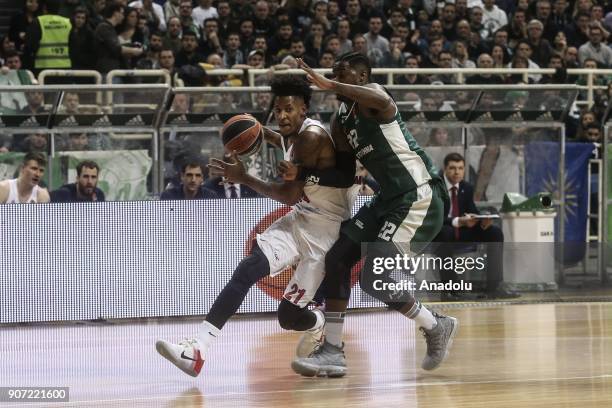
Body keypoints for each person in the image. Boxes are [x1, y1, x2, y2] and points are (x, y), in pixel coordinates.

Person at [155, 75, 358, 378]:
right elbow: (281, 140)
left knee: (288, 317)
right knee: (248, 268)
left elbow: (288, 195)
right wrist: (256, 129)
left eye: (289, 109)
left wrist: (245, 177)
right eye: (277, 110)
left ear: (304, 109)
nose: (282, 116)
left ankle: (318, 323)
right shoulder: (294, 133)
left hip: (324, 232)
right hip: (303, 217)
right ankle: (198, 349)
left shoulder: (311, 137)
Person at [289, 53, 458, 376]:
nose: (334, 76)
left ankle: (435, 325)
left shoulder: (376, 99)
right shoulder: (341, 120)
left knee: (375, 278)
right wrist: (300, 172)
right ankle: (333, 351)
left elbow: (379, 96)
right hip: (386, 200)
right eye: (333, 73)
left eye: (343, 73)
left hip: (418, 196)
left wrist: (329, 84)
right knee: (337, 260)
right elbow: (342, 173)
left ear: (362, 76)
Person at [433, 153, 520, 301]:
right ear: (445, 169)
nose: (457, 172)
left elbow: (472, 211)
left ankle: (494, 287)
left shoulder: (466, 187)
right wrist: (458, 221)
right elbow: (434, 219)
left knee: (494, 233)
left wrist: (482, 221)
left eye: (460, 168)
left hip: (463, 231)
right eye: (453, 168)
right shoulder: (435, 188)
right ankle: (451, 290)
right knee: (444, 233)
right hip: (442, 231)